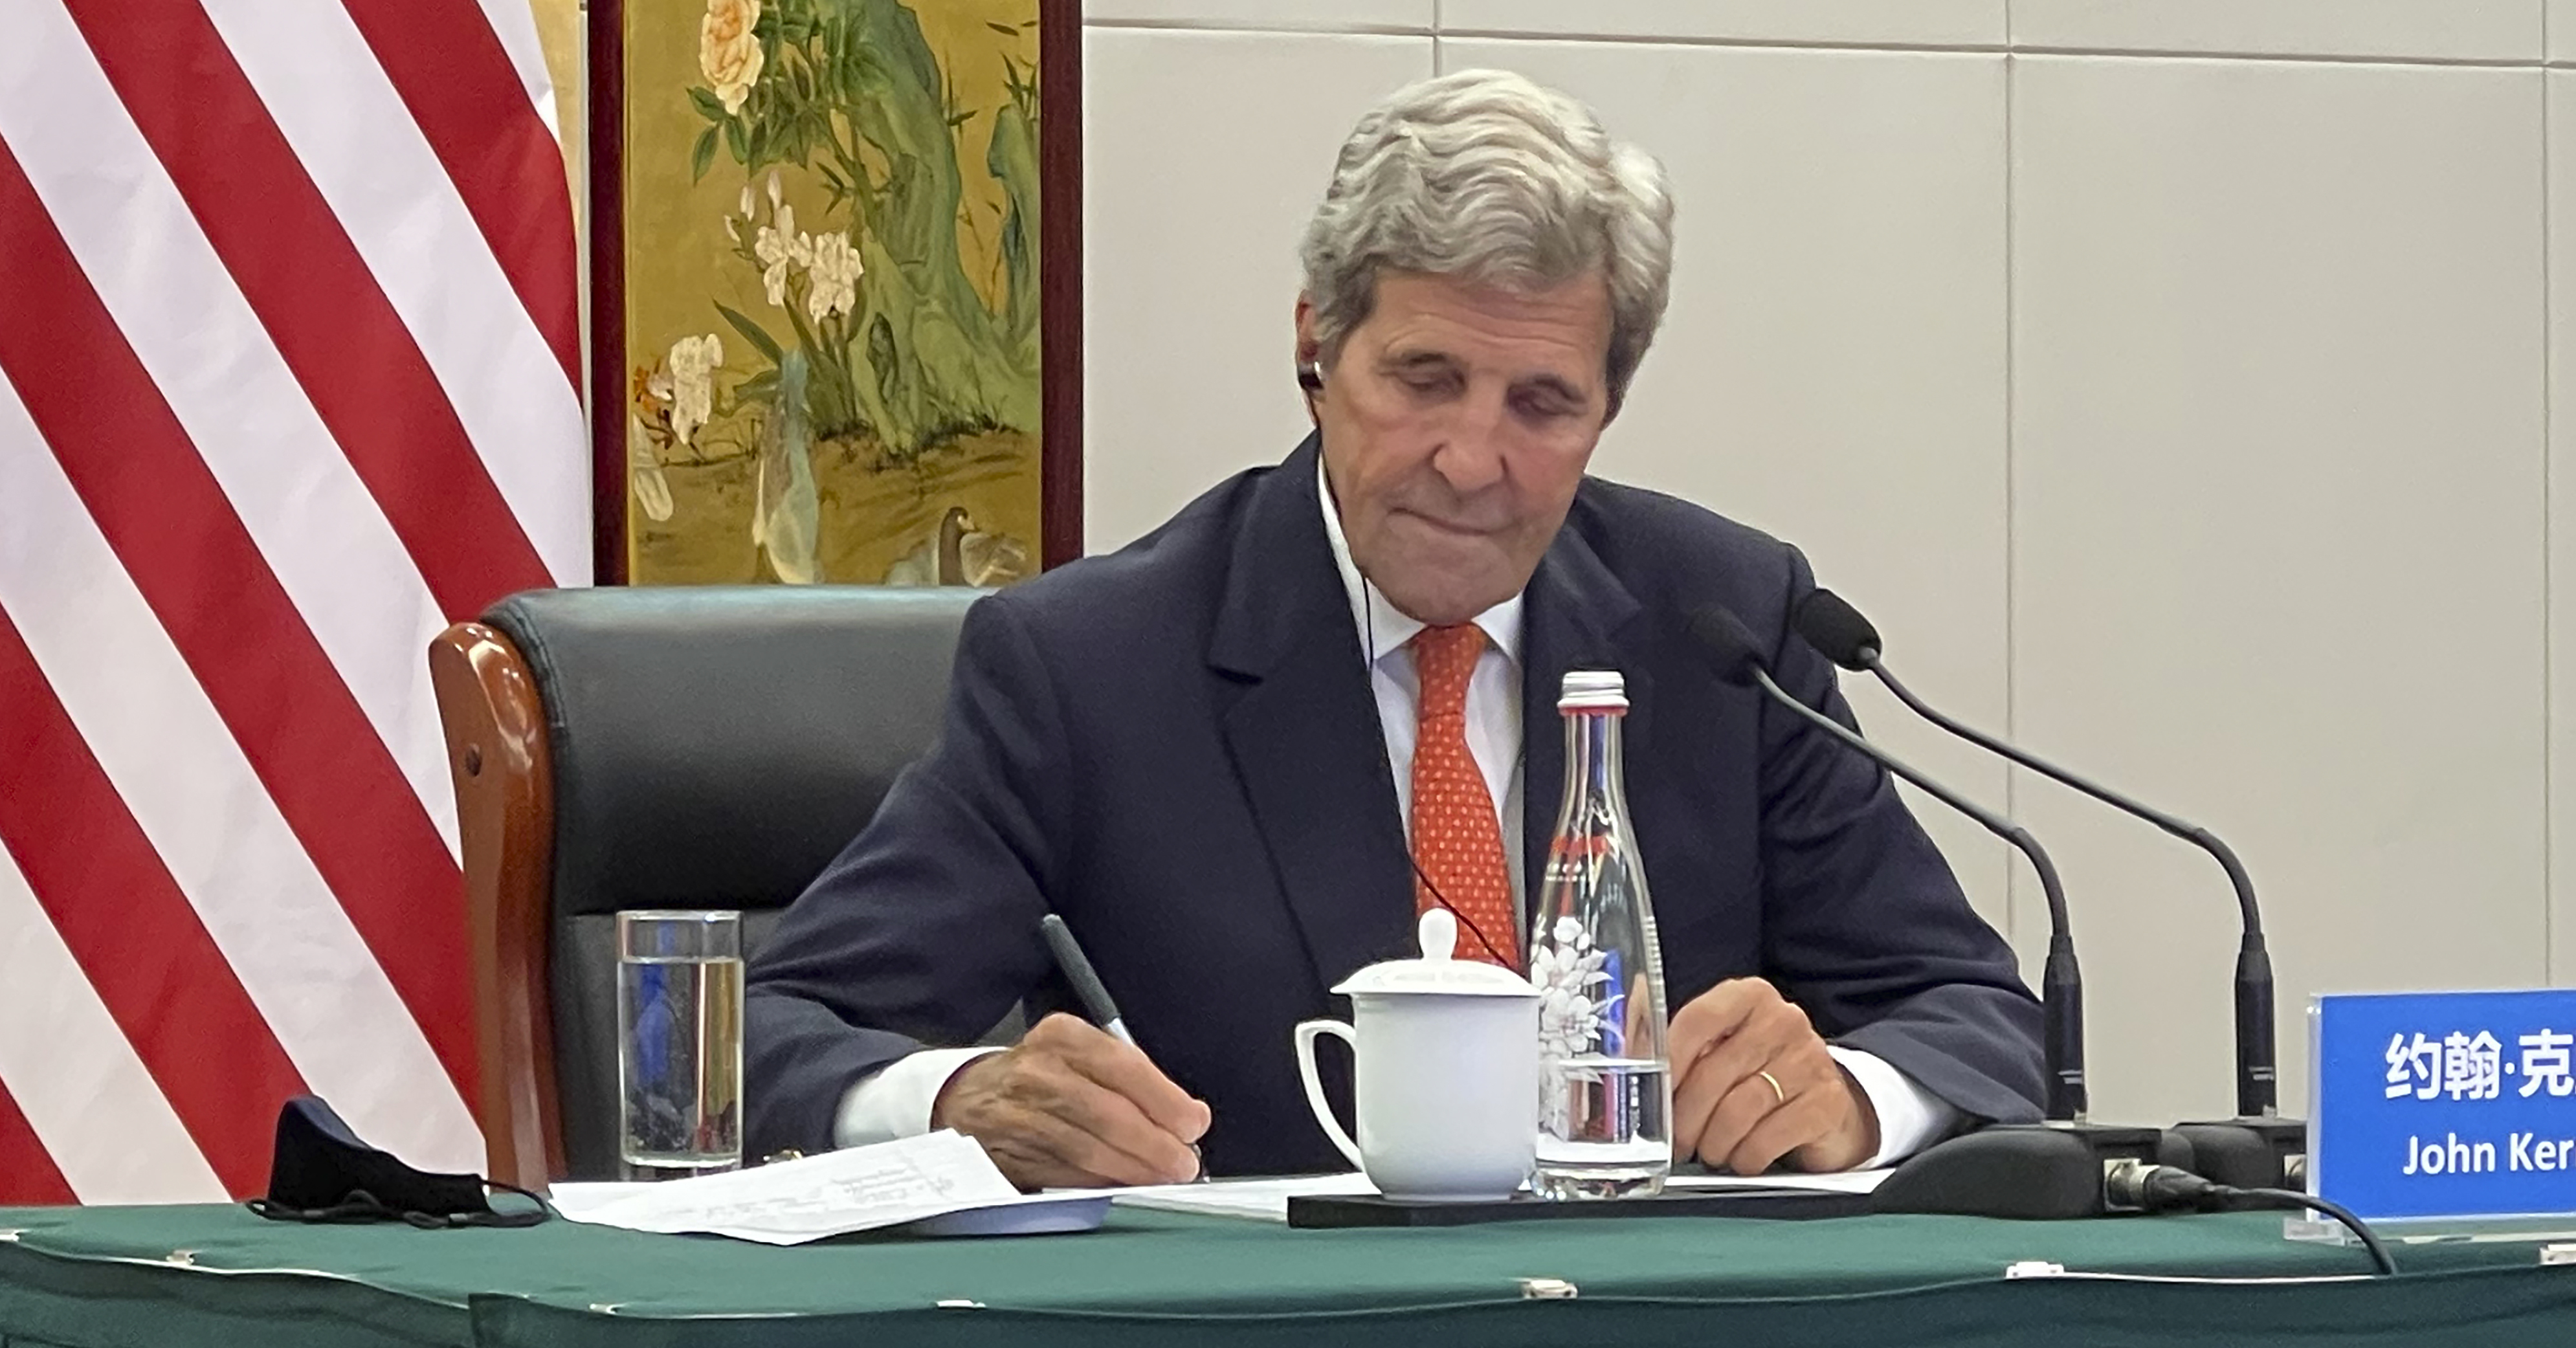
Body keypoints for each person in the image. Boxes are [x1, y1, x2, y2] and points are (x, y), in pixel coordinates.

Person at [742, 69, 2044, 1183]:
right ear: (1317, 346)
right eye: (1424, 379)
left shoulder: (1725, 629)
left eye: (1541, 402)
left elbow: (1977, 1015)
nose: (1472, 459)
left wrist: (1856, 1095)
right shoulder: (1091, 666)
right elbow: (782, 1031)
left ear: (1608, 407)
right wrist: (962, 1099)